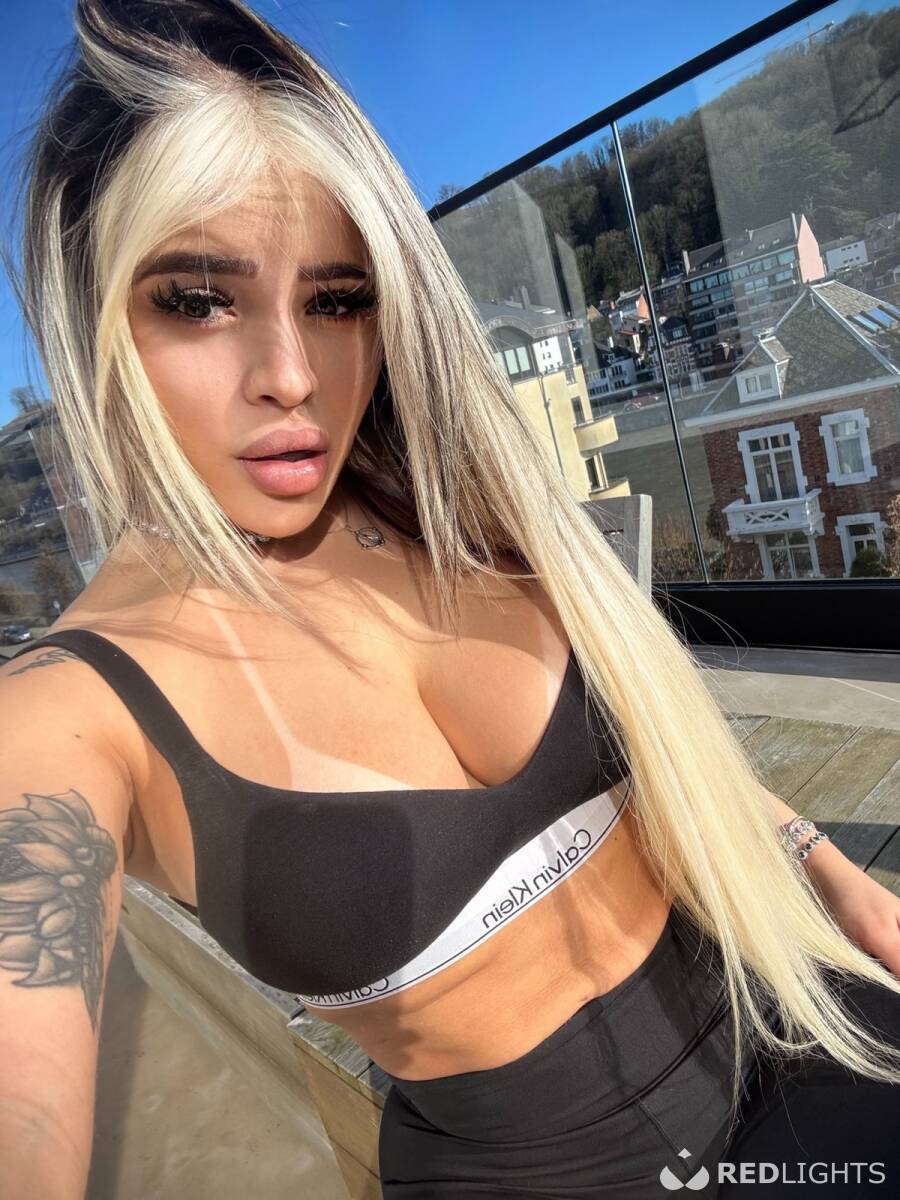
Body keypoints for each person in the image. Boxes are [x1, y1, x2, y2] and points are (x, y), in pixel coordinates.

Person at [1, 2, 899, 1197]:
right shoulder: (65, 714)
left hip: (787, 1009)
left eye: (336, 299)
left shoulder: (449, 496)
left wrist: (831, 872)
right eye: (200, 300)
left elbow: (655, 746)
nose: (292, 376)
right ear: (93, 318)